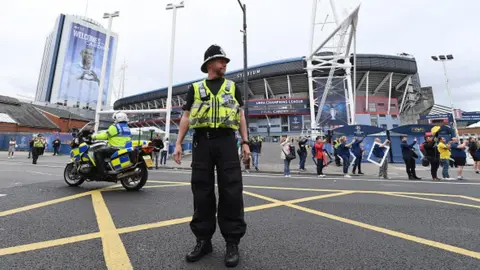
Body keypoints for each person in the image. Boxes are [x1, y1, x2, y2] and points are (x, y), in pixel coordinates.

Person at [172, 45, 249, 267]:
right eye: (220, 60)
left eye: (225, 60)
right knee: (202, 191)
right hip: (202, 142)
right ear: (209, 64)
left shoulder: (232, 87)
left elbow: (240, 116)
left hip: (226, 141)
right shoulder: (195, 88)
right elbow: (186, 116)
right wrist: (178, 143)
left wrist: (245, 142)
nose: (225, 64)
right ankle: (203, 240)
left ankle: (232, 242)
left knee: (232, 191)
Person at [91, 112, 132, 176]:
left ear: (117, 119)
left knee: (97, 152)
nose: (114, 120)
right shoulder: (127, 127)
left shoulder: (115, 127)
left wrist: (93, 136)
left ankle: (102, 172)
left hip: (115, 148)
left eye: (115, 119)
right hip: (125, 148)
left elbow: (105, 136)